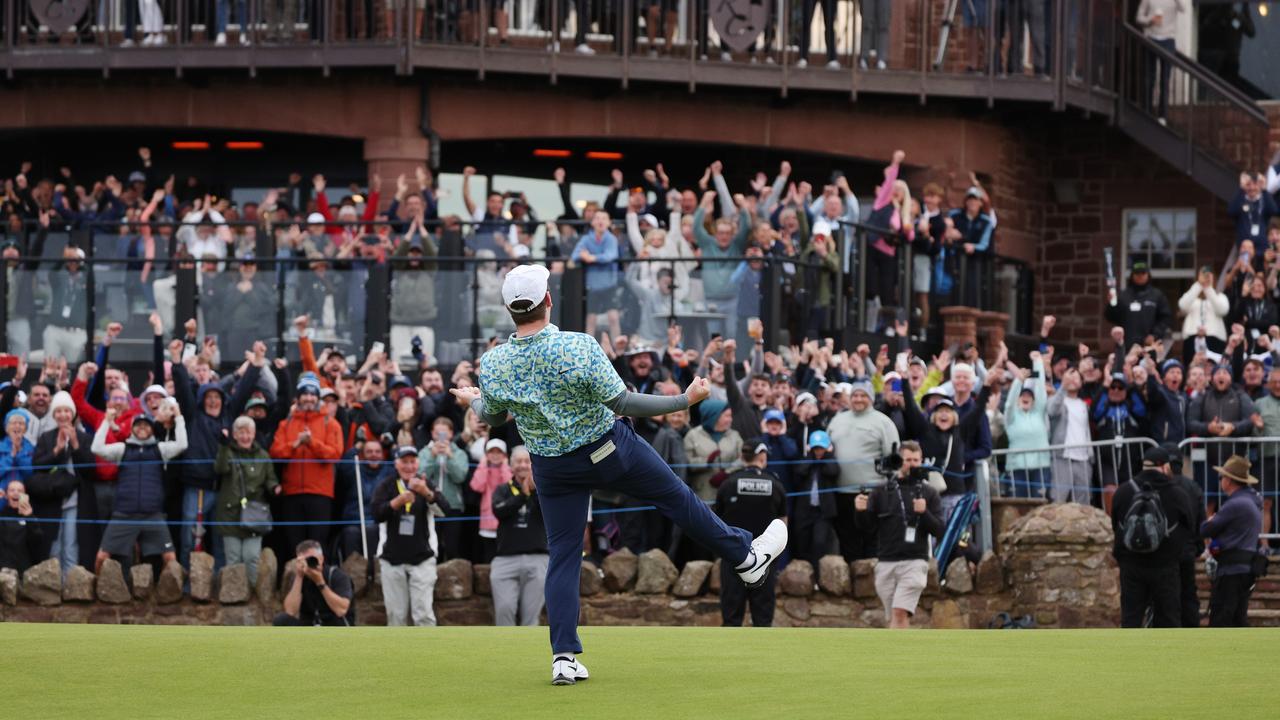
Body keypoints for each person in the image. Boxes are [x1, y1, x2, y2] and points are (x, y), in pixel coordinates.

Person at [450, 264, 786, 686]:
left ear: (508, 309)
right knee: (677, 499)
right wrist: (685, 398)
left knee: (564, 555)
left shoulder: (495, 361)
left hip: (551, 468)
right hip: (608, 450)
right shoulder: (578, 346)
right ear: (549, 301)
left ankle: (564, 657)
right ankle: (746, 558)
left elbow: (493, 416)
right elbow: (623, 403)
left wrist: (472, 401)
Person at [855, 441, 943, 628]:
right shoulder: (881, 491)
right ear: (898, 461)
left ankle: (898, 655)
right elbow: (867, 528)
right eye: (907, 459)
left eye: (916, 460)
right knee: (894, 617)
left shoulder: (930, 492)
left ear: (921, 461)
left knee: (899, 612)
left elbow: (939, 530)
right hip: (886, 560)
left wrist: (923, 513)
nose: (911, 464)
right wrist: (860, 511)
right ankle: (898, 653)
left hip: (915, 560)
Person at [90, 407, 187, 574]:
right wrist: (106, 421)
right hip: (124, 514)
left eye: (146, 425)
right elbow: (96, 448)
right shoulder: (122, 449)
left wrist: (178, 416)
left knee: (170, 558)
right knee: (101, 556)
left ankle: (165, 593)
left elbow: (182, 444)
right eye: (138, 425)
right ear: (132, 429)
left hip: (153, 515)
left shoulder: (160, 449)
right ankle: (97, 590)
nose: (142, 428)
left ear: (152, 429)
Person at [1109, 447, 1196, 629]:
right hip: (1165, 566)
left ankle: (1129, 656)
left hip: (1131, 565)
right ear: (1165, 467)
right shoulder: (1177, 494)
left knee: (1131, 619)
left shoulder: (1124, 491)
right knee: (1168, 619)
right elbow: (1190, 527)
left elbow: (1115, 524)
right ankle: (1166, 656)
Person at [371, 446, 449, 627]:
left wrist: (427, 493)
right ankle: (397, 654)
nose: (408, 466)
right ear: (396, 464)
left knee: (423, 615)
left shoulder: (424, 483)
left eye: (412, 462)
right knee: (396, 617)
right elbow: (376, 514)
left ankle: (428, 654)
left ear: (418, 463)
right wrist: (397, 502)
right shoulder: (386, 485)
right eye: (404, 462)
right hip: (391, 559)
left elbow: (445, 510)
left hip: (422, 558)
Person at [714, 442, 788, 628]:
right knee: (763, 618)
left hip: (733, 554)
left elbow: (717, 518)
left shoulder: (729, 482)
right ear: (762, 457)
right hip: (765, 558)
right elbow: (783, 523)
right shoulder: (776, 483)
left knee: (731, 617)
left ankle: (729, 655)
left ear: (742, 457)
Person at [826, 378, 900, 561]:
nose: (858, 399)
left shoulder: (883, 422)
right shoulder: (837, 420)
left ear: (871, 398)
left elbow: (893, 458)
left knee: (871, 537)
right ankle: (851, 579)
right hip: (841, 491)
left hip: (872, 491)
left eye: (863, 395)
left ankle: (871, 580)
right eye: (855, 395)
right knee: (847, 538)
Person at [270, 373, 344, 554]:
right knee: (294, 546)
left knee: (317, 546)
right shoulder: (285, 424)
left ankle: (317, 582)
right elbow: (276, 453)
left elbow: (334, 454)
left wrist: (311, 442)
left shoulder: (331, 424)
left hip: (320, 493)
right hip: (292, 493)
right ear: (298, 397)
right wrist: (295, 444)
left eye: (313, 394)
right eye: (305, 394)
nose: (309, 398)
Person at [213, 416, 281, 580]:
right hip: (230, 513)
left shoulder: (263, 456)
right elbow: (220, 469)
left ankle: (252, 593)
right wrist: (222, 446)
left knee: (251, 557)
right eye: (241, 432)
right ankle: (234, 594)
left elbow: (270, 478)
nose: (245, 436)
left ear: (254, 434)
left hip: (254, 514)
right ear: (234, 435)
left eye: (248, 432)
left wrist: (275, 487)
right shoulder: (227, 451)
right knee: (234, 558)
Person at [1201, 455, 1264, 627]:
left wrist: (1210, 521)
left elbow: (1206, 529)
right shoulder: (1251, 501)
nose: (1221, 480)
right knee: (1237, 619)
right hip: (1243, 569)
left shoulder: (1235, 504)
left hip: (1231, 571)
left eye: (1222, 477)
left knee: (1222, 620)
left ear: (1229, 480)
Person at [489, 445, 549, 627]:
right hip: (505, 559)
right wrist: (523, 495)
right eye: (518, 461)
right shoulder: (502, 490)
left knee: (531, 617)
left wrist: (534, 491)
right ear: (511, 464)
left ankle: (528, 653)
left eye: (527, 461)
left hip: (538, 559)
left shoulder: (544, 490)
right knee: (504, 610)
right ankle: (504, 652)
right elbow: (499, 511)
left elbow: (548, 514)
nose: (523, 465)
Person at [1160, 443, 1206, 628]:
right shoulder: (1193, 487)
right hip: (1187, 549)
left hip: (1166, 552)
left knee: (1167, 595)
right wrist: (1198, 546)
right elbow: (1200, 521)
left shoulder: (1162, 487)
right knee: (1188, 594)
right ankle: (1191, 631)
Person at [274, 539, 356, 627]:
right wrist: (299, 577)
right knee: (281, 620)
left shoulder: (337, 576)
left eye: (313, 559)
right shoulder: (300, 578)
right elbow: (290, 611)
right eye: (306, 560)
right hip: (310, 626)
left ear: (322, 558)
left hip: (335, 626)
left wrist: (320, 582)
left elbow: (341, 610)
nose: (310, 562)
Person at [1105, 260, 1173, 351]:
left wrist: (1154, 334)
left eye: (1143, 273)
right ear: (1132, 275)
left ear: (1148, 275)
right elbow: (1112, 317)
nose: (1140, 276)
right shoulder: (1123, 295)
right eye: (1137, 273)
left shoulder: (1157, 295)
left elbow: (1165, 318)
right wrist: (1111, 304)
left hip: (1149, 346)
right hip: (1127, 347)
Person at [0, 480, 43, 573]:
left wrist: (30, 517)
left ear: (25, 495)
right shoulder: (2, 515)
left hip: (23, 571)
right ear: (6, 495)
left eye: (20, 491)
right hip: (3, 571)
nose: (16, 493)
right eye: (12, 490)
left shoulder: (31, 517)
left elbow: (37, 543)